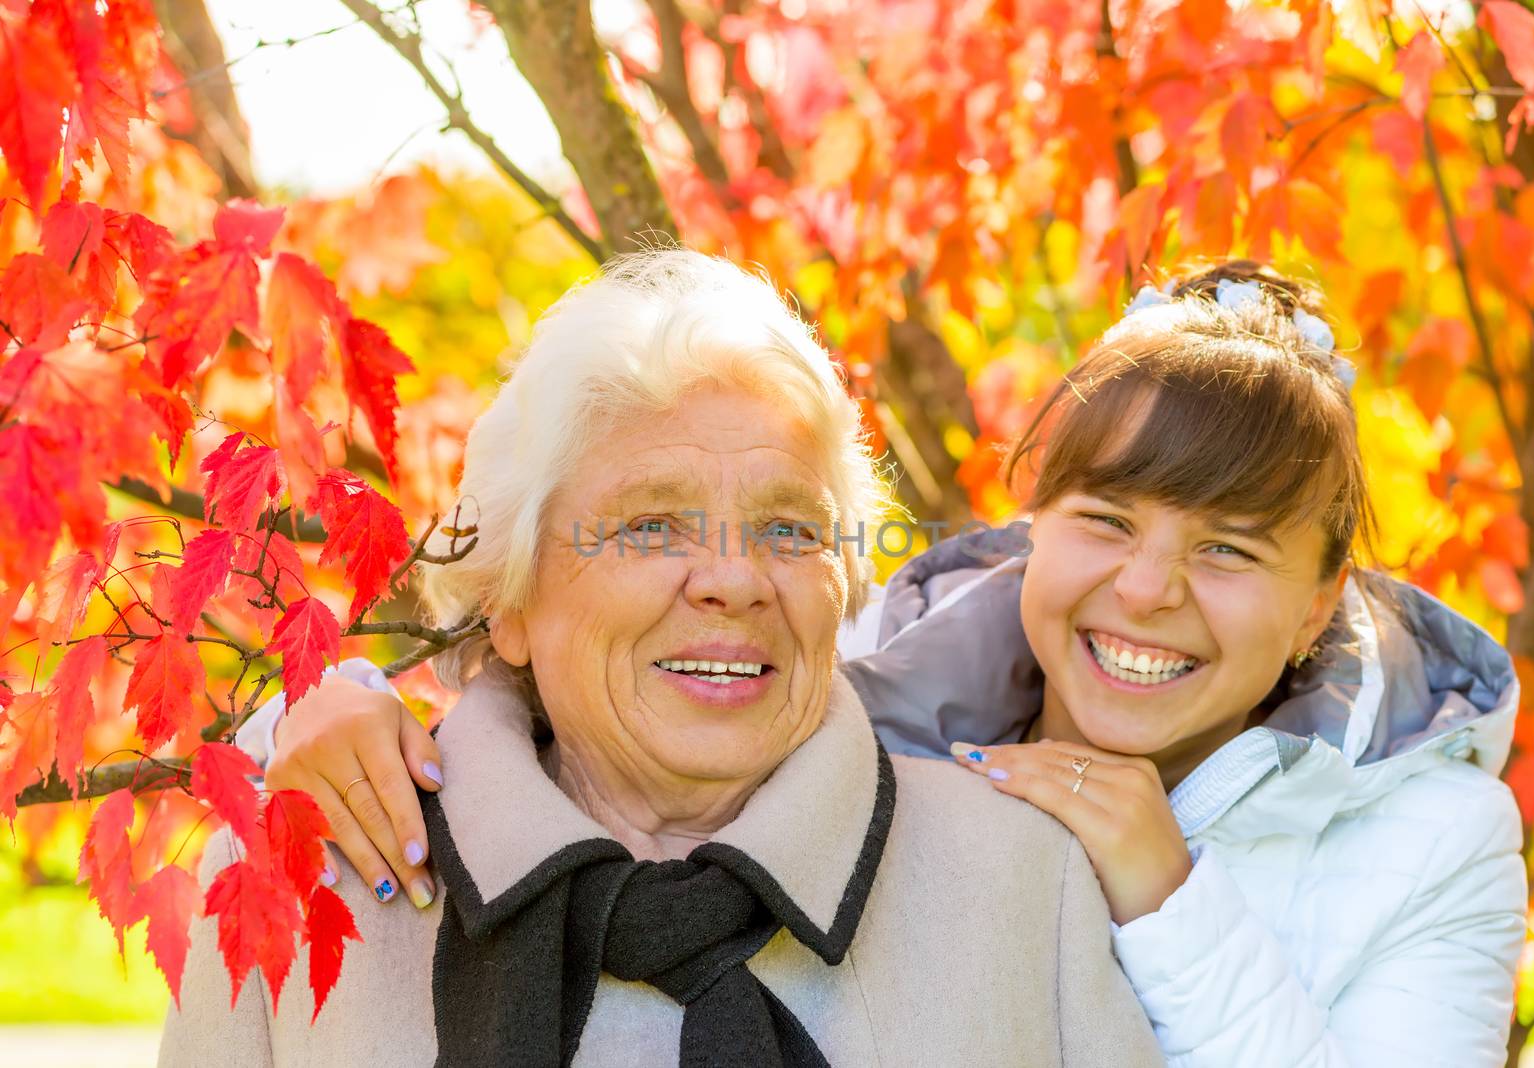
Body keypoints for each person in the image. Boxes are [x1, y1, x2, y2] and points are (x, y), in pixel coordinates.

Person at [248, 261, 1529, 1065]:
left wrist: (1168, 895)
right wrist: (321, 709)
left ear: (1322, 606)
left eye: (1233, 548)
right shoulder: (866, 688)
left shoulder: (1433, 837)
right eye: (1105, 523)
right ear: (1036, 528)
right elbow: (612, 669)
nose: (1148, 590)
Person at [159, 250, 1162, 1067]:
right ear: (507, 600)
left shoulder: (1026, 885)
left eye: (788, 529)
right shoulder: (299, 885)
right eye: (648, 527)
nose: (734, 580)